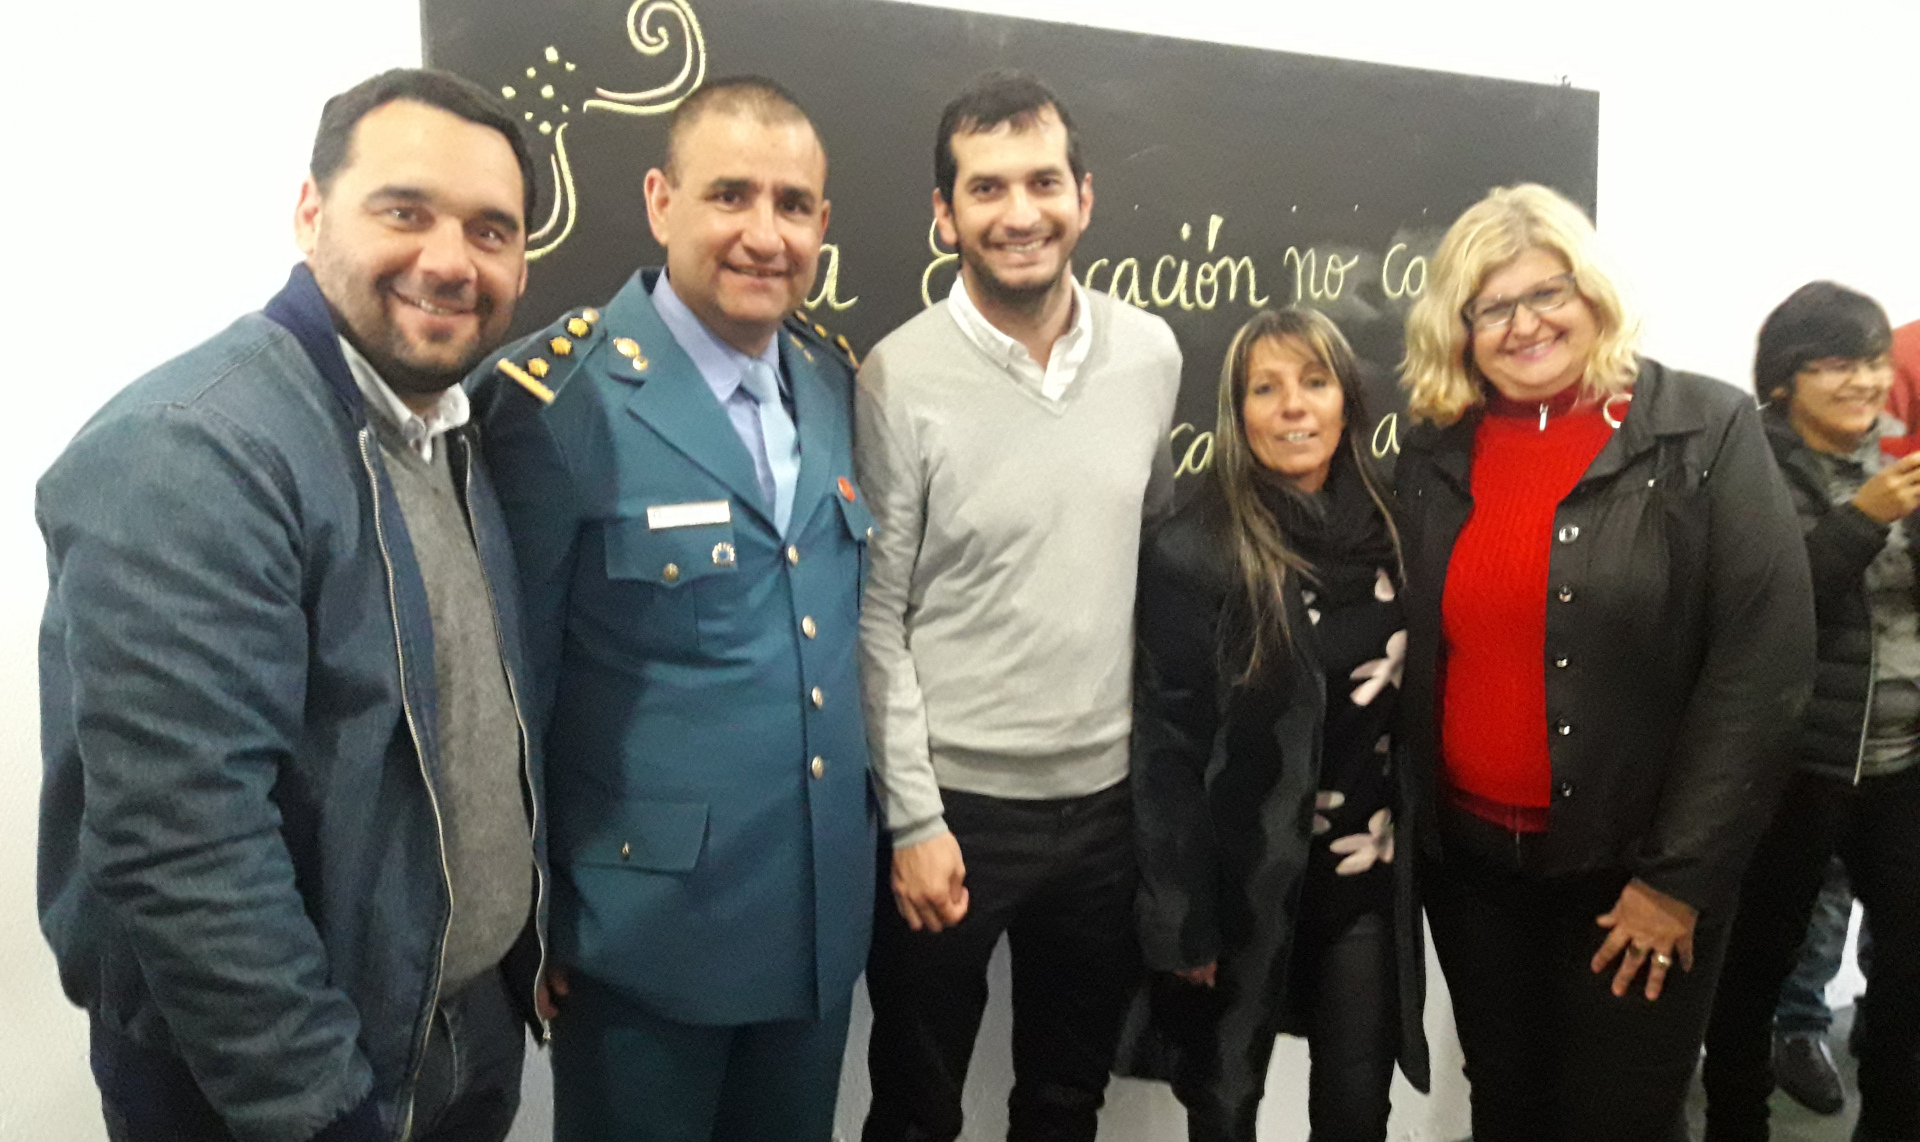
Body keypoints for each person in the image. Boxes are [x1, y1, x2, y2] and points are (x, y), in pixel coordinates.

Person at [36, 69, 545, 1142]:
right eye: (404, 211)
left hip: (459, 1031)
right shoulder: (194, 448)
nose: (450, 260)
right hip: (282, 1083)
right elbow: (184, 847)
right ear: (311, 212)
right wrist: (320, 1109)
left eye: (490, 230)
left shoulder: (446, 428)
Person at [470, 76, 871, 1142]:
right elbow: (508, 687)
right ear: (660, 201)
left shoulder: (831, 380)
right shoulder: (558, 400)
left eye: (793, 205)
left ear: (822, 225)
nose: (764, 234)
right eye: (729, 194)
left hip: (815, 918)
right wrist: (531, 912)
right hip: (641, 931)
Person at [1393, 183, 1816, 1142]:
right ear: (1459, 328)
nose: (1525, 325)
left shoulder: (1704, 430)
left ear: (1594, 293)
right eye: (1491, 307)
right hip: (1475, 874)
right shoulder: (1435, 451)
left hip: (1638, 879)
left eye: (1549, 293)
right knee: (1508, 1108)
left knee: (1619, 1120)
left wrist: (1679, 881)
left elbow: (1764, 667)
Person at [854, 70, 1182, 1142]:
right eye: (986, 188)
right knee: (915, 1108)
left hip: (1105, 810)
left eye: (1043, 182)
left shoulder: (1152, 355)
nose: (1020, 212)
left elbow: (1147, 562)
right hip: (956, 807)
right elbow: (876, 617)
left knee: (1065, 1102)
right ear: (945, 214)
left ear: (1084, 196)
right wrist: (913, 819)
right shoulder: (897, 377)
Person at [1131, 307, 1430, 1142]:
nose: (1294, 406)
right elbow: (1166, 745)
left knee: (1357, 1111)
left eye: (1315, 382)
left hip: (1361, 881)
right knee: (1224, 1108)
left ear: (1347, 400)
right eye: (1266, 389)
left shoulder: (1395, 530)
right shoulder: (1194, 547)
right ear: (1238, 413)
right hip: (1239, 885)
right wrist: (1181, 917)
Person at [1701, 281, 1920, 1142]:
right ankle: (1737, 1126)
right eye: (1836, 364)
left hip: (1901, 760)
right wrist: (1864, 519)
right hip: (1793, 767)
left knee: (1907, 976)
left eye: (1873, 361)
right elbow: (1770, 602)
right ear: (1785, 378)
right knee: (1754, 969)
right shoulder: (1748, 464)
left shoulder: (1893, 456)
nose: (1863, 381)